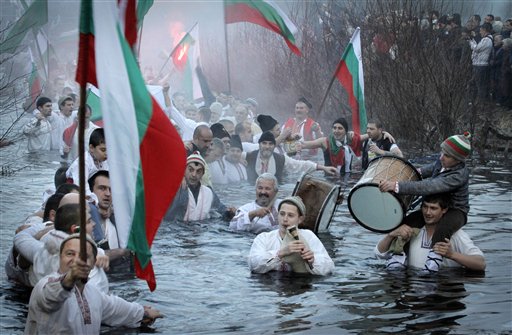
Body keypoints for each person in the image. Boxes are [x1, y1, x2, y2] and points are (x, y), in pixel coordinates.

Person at [24, 233, 162, 334]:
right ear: (60, 258)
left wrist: (143, 313)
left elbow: (117, 309)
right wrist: (70, 278)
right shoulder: (44, 285)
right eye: (70, 254)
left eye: (84, 256)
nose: (77, 260)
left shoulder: (93, 293)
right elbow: (51, 297)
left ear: (92, 263)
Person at [379, 132, 471, 273]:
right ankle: (398, 255)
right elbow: (424, 172)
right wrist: (410, 173)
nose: (441, 157)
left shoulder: (458, 176)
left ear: (458, 160)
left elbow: (429, 186)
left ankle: (434, 259)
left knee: (444, 227)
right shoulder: (442, 161)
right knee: (408, 220)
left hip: (456, 210)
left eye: (446, 155)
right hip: (437, 206)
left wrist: (396, 186)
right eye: (442, 153)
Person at [374, 194, 486, 273]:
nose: (427, 212)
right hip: (411, 288)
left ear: (444, 210)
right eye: (425, 207)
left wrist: (452, 255)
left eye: (433, 208)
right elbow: (379, 253)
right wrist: (391, 235)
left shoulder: (456, 235)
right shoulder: (412, 229)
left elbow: (480, 264)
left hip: (441, 291)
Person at [248, 196, 335, 275]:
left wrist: (312, 260)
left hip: (301, 286)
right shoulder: (264, 238)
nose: (285, 219)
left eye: (290, 215)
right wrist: (279, 254)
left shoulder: (309, 236)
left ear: (300, 219)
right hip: (271, 288)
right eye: (282, 214)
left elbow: (329, 267)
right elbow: (253, 265)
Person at [164, 153, 236, 222]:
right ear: (184, 170)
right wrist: (182, 192)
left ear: (202, 174)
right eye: (191, 170)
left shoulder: (208, 192)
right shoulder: (175, 190)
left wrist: (230, 213)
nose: (194, 174)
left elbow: (221, 211)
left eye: (198, 171)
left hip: (201, 230)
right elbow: (169, 217)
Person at [245, 131, 337, 184]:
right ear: (259, 144)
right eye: (264, 143)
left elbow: (300, 165)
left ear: (274, 146)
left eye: (270, 144)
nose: (267, 146)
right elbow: (233, 152)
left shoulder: (281, 159)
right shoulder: (248, 156)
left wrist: (323, 168)